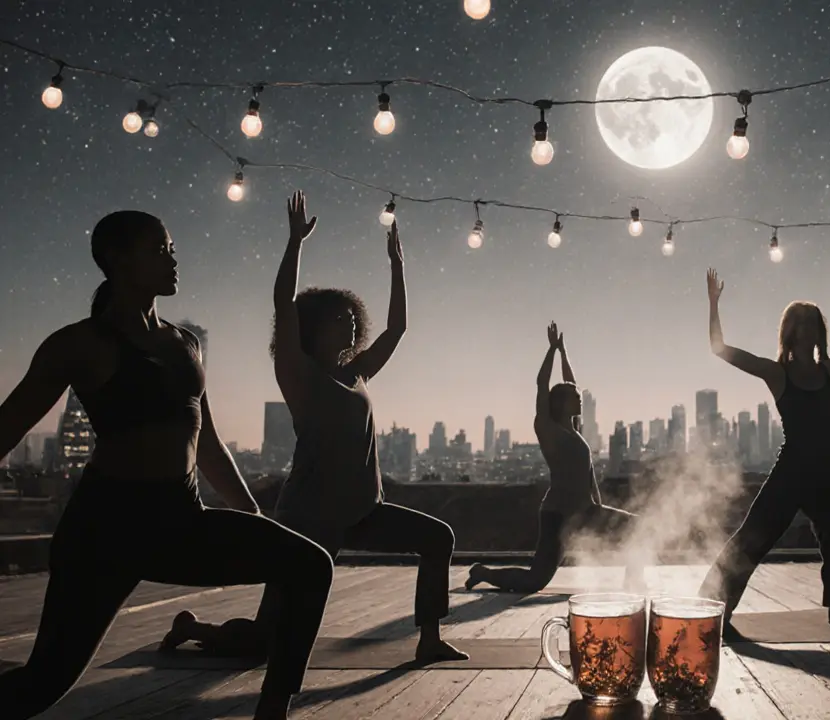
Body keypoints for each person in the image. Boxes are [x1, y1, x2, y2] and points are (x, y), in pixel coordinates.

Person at [0, 210, 334, 720]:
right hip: (105, 530)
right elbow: (8, 426)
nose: (173, 259)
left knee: (309, 564)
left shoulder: (186, 343)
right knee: (41, 685)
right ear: (116, 260)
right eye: (158, 250)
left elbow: (208, 444)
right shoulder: (77, 344)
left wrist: (252, 517)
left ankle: (272, 711)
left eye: (172, 247)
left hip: (180, 520)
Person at [160, 191, 466, 664]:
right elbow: (283, 301)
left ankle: (429, 639)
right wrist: (294, 242)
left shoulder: (357, 372)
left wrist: (396, 265)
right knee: (268, 640)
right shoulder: (298, 375)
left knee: (437, 538)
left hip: (363, 510)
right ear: (312, 327)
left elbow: (398, 328)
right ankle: (194, 627)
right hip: (308, 520)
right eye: (337, 319)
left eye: (351, 319)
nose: (347, 325)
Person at [698, 259, 830, 635]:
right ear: (790, 333)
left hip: (829, 469)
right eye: (801, 323)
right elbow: (719, 348)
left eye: (813, 323)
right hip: (791, 470)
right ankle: (713, 605)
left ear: (818, 333)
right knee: (752, 537)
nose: (808, 329)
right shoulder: (777, 373)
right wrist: (714, 302)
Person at [465, 323, 644, 593]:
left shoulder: (573, 429)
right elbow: (541, 384)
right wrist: (550, 350)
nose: (580, 398)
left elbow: (571, 382)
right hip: (558, 516)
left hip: (585, 512)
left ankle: (633, 586)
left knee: (637, 527)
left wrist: (563, 352)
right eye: (574, 397)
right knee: (534, 581)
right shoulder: (549, 430)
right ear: (560, 403)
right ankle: (483, 572)